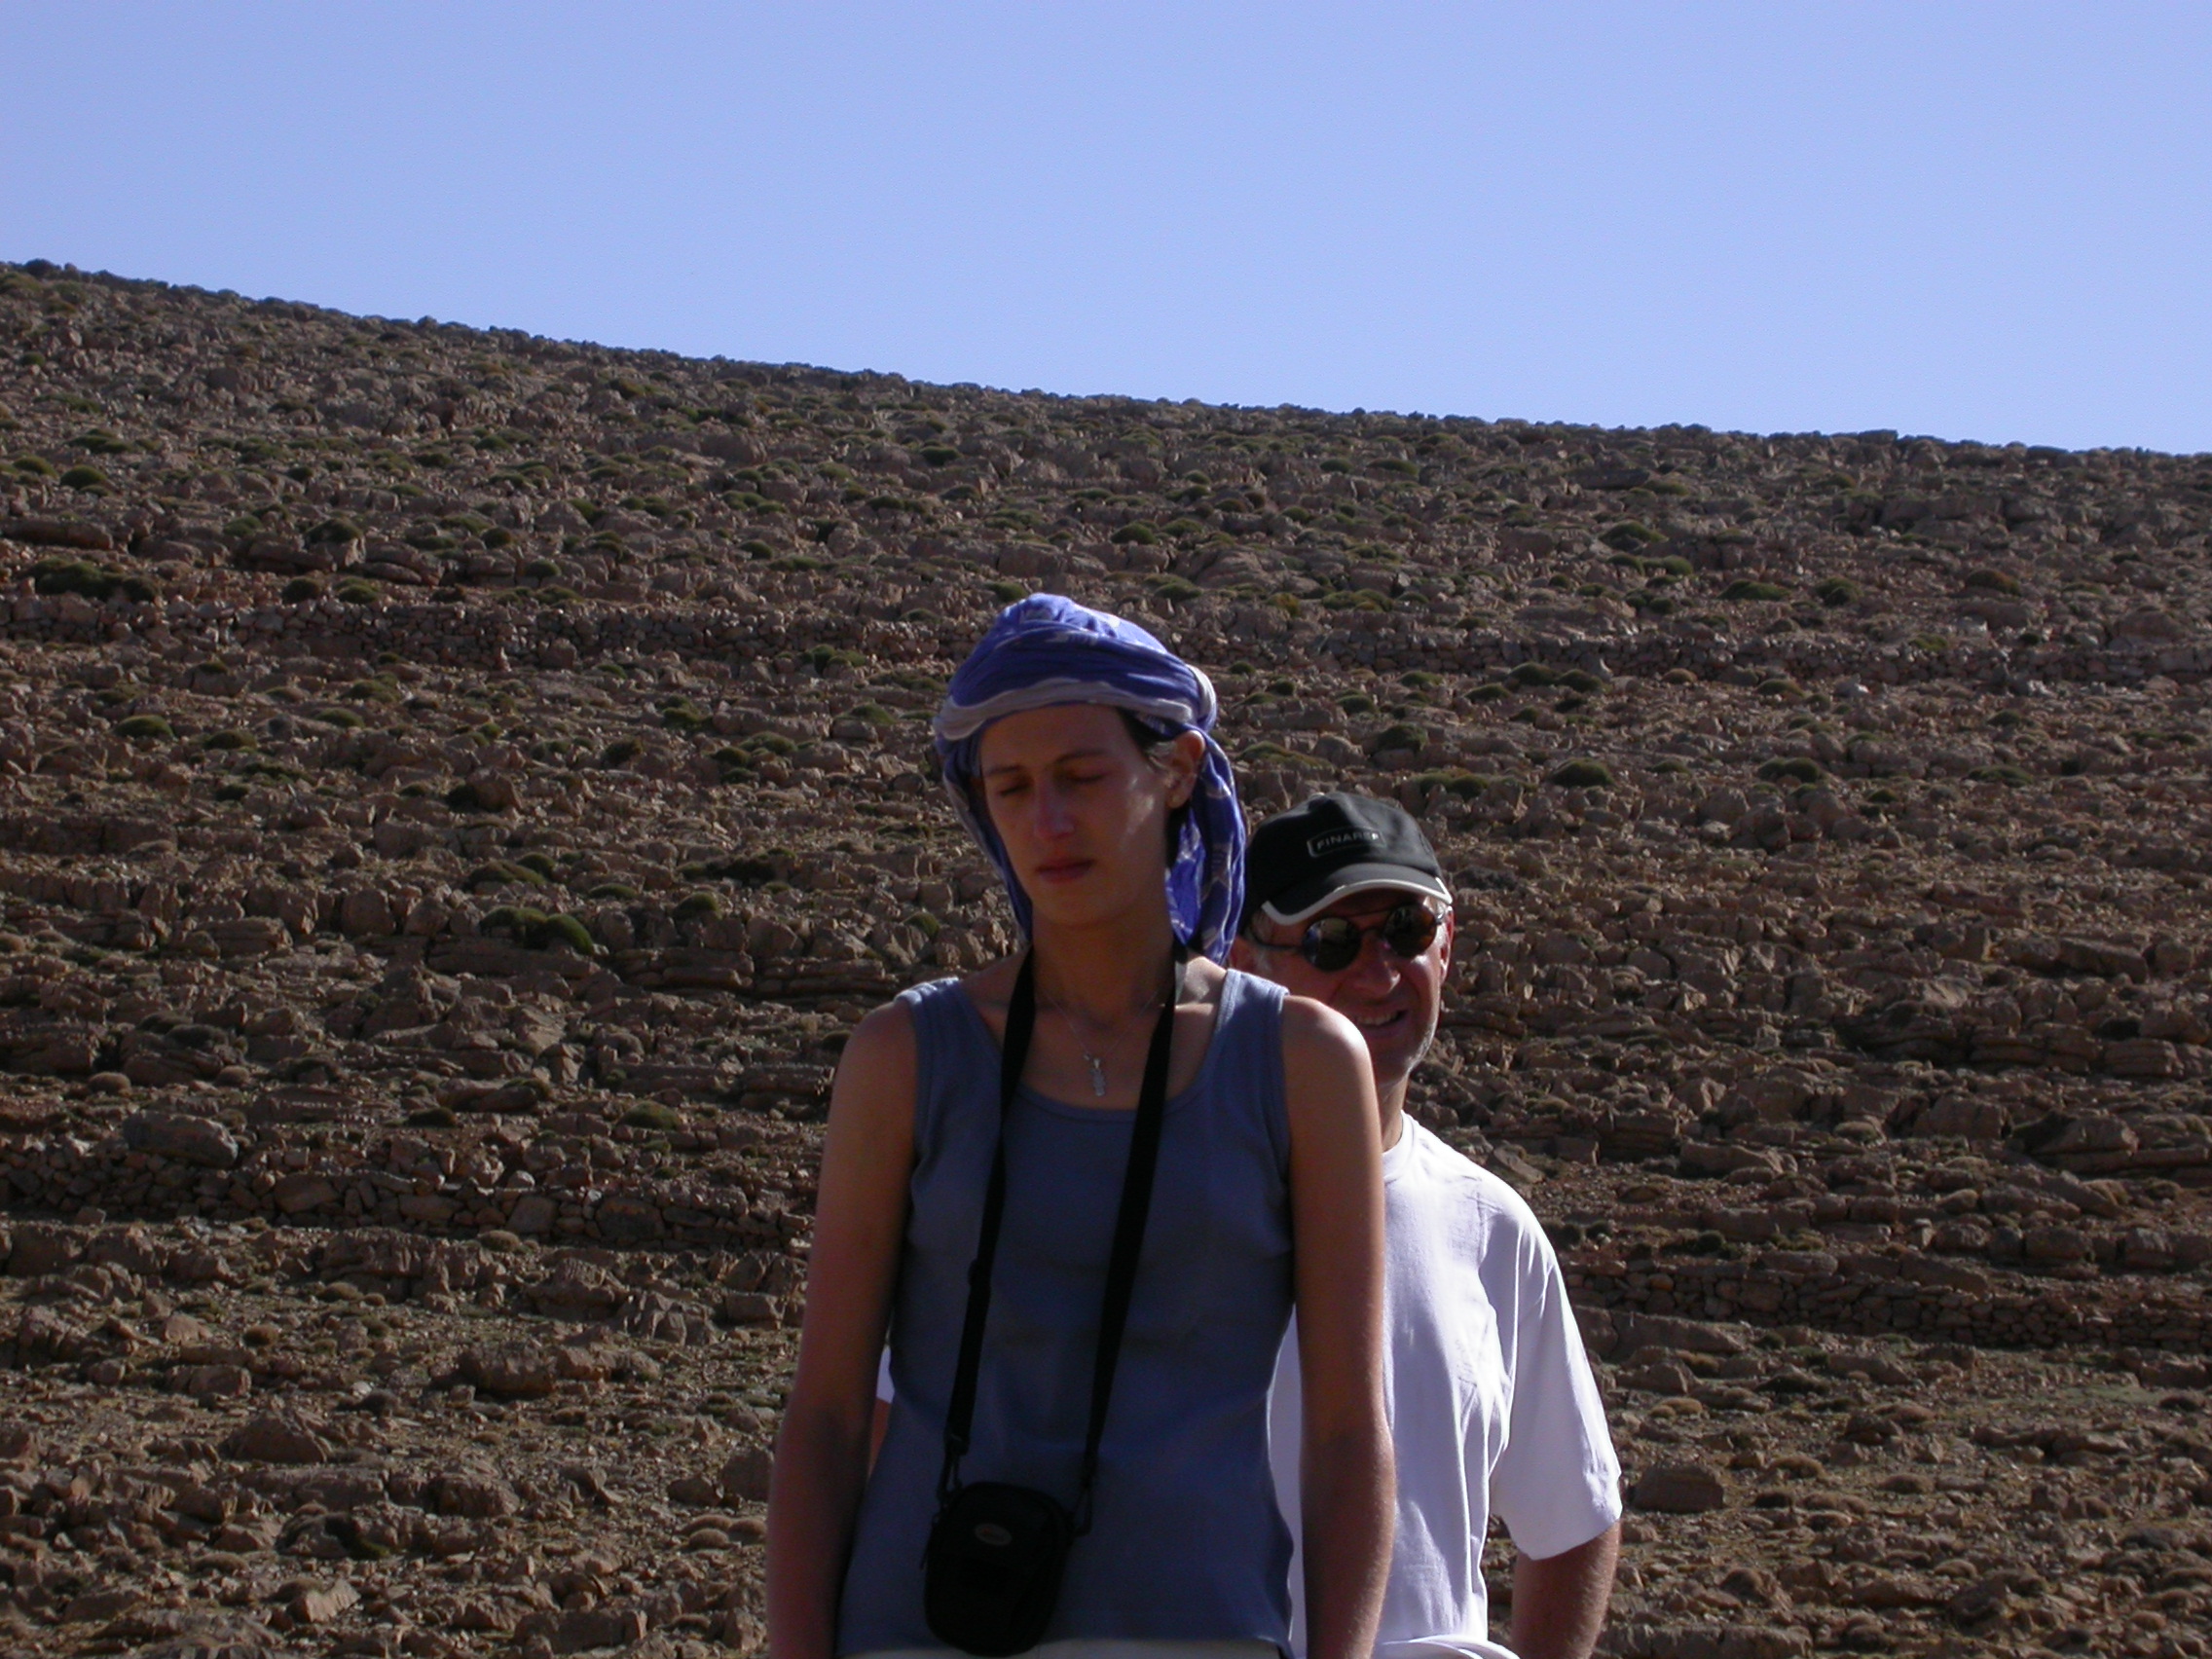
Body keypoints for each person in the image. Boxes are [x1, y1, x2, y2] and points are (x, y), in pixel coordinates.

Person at [769, 597, 1395, 1659]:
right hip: (920, 1632)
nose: (1047, 822)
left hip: (1199, 1634)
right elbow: (826, 1415)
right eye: (1011, 788)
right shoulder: (907, 1056)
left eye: (1082, 777)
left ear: (1178, 770)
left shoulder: (1300, 1061)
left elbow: (1346, 1432)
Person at [1230, 793, 1622, 1659]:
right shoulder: (1164, 1205)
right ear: (1240, 962)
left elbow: (1575, 1513)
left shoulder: (1491, 1229)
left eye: (1406, 931)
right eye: (1333, 941)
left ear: (1446, 946)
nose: (1378, 973)